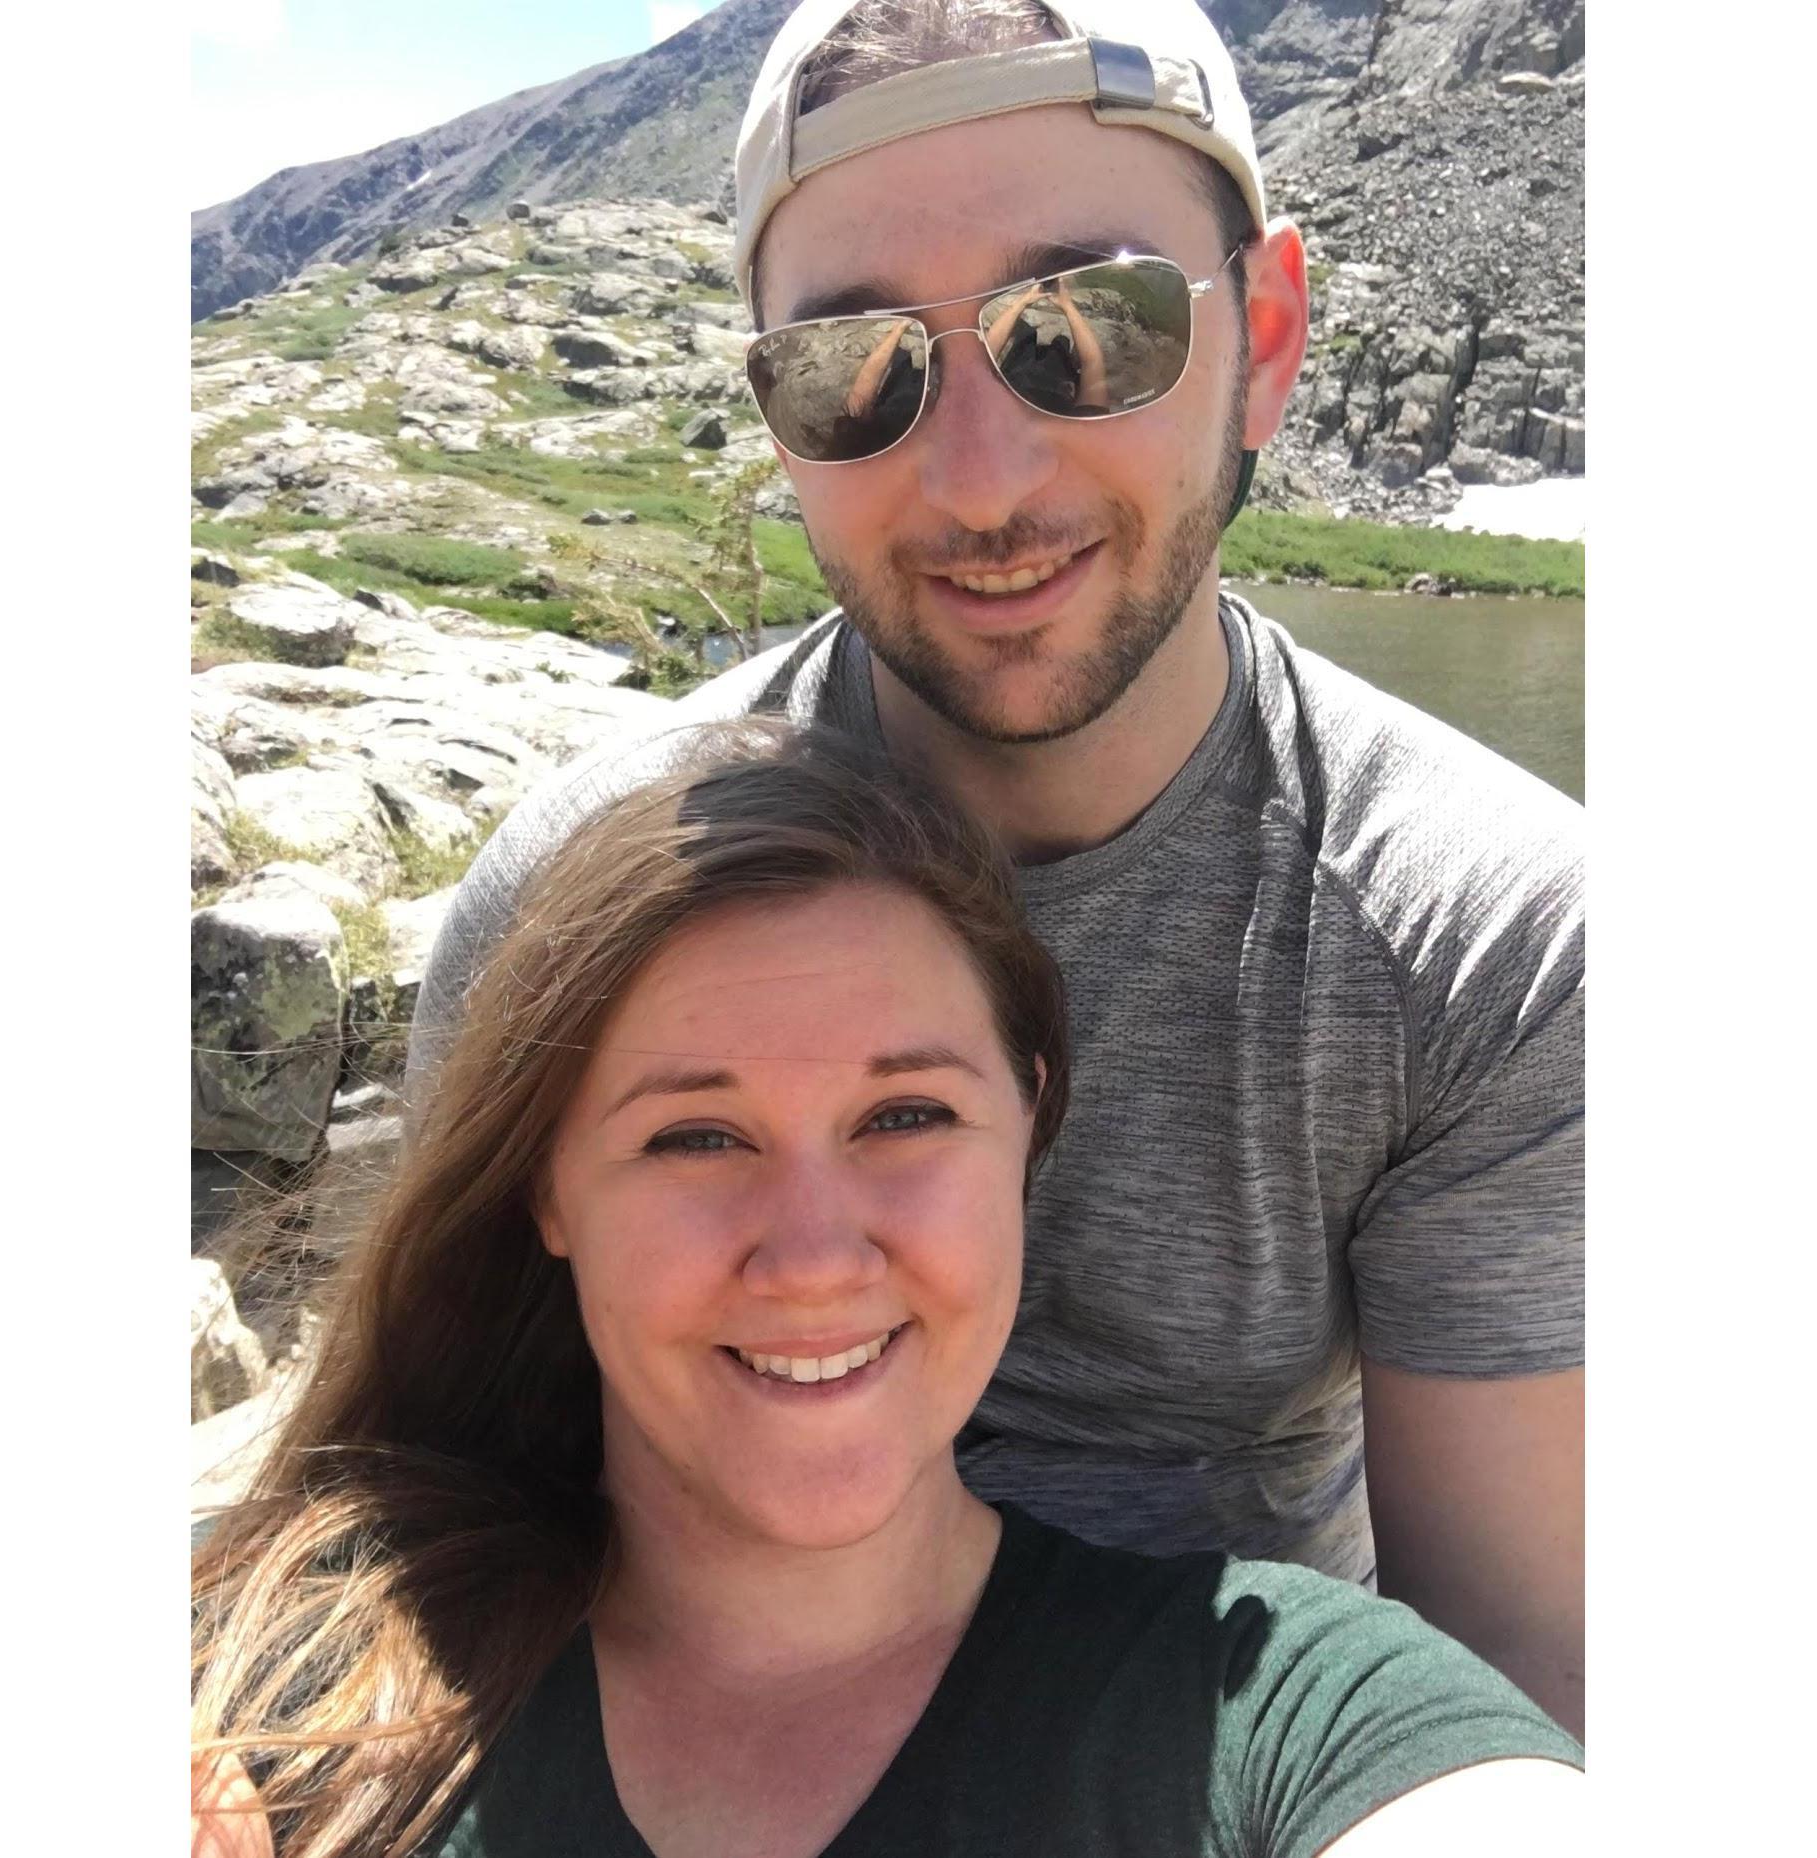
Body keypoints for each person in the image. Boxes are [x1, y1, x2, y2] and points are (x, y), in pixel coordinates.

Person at [408, 0, 1586, 1734]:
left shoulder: (1486, 938)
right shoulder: (580, 895)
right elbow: (435, 1498)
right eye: (853, 370)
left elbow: (1517, 1678)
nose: (978, 479)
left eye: (1084, 329)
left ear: (1264, 335)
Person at [194, 724, 1582, 1858]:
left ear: (1025, 1132)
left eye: (904, 1118)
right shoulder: (293, 1687)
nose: (811, 1253)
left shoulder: (1284, 1707)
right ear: (548, 1187)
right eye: (695, 1135)